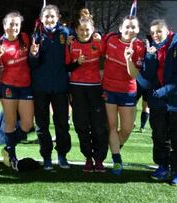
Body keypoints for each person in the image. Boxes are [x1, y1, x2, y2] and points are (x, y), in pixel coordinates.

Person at [137, 19, 177, 186]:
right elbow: (147, 76)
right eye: (152, 32)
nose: (155, 35)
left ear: (168, 31)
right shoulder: (152, 49)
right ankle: (163, 166)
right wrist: (150, 57)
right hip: (159, 103)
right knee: (159, 137)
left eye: (158, 31)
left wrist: (162, 92)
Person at [29, 4, 71, 170]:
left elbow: (72, 56)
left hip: (60, 86)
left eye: (52, 16)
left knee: (62, 123)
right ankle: (46, 156)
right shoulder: (36, 34)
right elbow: (33, 64)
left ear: (58, 17)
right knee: (42, 124)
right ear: (41, 18)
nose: (49, 19)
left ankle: (62, 155)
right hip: (40, 86)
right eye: (46, 16)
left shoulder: (66, 33)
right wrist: (33, 54)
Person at [101, 15, 145, 175]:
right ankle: (117, 159)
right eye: (127, 27)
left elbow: (133, 75)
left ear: (138, 30)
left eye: (133, 27)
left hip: (127, 91)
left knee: (126, 129)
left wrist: (128, 59)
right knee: (112, 127)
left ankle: (113, 147)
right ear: (120, 28)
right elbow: (96, 50)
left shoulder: (139, 46)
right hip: (108, 89)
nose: (130, 30)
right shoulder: (110, 38)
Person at [65, 16, 108, 173]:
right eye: (81, 30)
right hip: (77, 89)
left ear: (93, 30)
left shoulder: (97, 42)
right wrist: (78, 63)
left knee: (98, 126)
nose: (84, 33)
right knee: (81, 125)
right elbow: (67, 67)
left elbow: (105, 55)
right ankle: (88, 158)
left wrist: (100, 38)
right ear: (76, 30)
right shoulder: (71, 44)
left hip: (95, 89)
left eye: (87, 30)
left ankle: (99, 159)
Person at [0, 12, 34, 170]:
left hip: (26, 86)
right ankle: (12, 155)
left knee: (27, 123)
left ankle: (8, 148)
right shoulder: (0, 43)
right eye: (10, 24)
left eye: (16, 24)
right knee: (10, 122)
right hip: (8, 87)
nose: (13, 27)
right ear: (4, 26)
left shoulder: (25, 38)